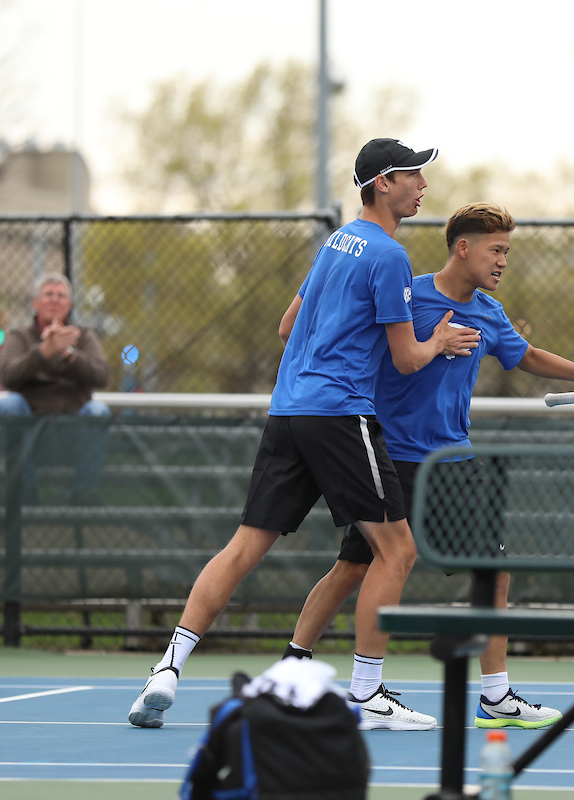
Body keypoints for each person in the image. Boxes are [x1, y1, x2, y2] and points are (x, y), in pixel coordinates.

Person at [128, 139, 481, 729]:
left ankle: (166, 669)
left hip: (288, 412)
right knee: (397, 551)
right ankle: (367, 695)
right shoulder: (389, 255)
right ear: (384, 182)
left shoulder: (335, 241)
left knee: (243, 548)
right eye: (415, 176)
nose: (424, 186)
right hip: (341, 415)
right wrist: (439, 342)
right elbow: (405, 359)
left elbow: (289, 323)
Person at [280, 202, 574, 730]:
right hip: (389, 454)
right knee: (353, 568)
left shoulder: (488, 311)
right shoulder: (407, 292)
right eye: (496, 250)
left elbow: (527, 356)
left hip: (450, 459)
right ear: (464, 247)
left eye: (507, 250)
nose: (504, 261)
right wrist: (431, 344)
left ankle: (495, 696)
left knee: (492, 566)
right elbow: (374, 346)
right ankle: (294, 673)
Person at [0, 274, 111, 505]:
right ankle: (25, 490)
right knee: (8, 405)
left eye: (61, 296)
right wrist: (43, 352)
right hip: (32, 428)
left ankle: (84, 493)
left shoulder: (84, 336)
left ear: (69, 305)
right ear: (35, 303)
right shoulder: (20, 336)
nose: (55, 301)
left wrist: (68, 354)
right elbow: (7, 375)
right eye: (48, 294)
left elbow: (103, 375)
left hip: (74, 430)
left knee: (99, 410)